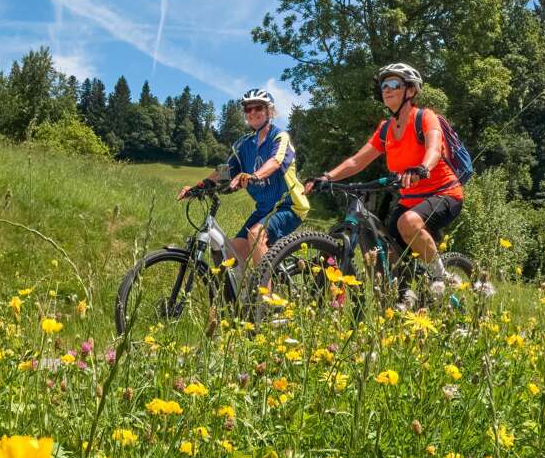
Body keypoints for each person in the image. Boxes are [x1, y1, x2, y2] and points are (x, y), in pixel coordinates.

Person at [304, 62, 462, 292]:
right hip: (410, 200)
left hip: (444, 193)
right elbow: (357, 161)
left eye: (394, 84)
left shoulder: (425, 117)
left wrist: (422, 168)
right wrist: (327, 177)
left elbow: (434, 149)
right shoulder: (386, 129)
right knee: (386, 254)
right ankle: (405, 299)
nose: (386, 89)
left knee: (407, 223)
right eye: (383, 85)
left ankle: (441, 277)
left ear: (410, 90)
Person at [179, 88, 309, 266]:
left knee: (256, 235)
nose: (253, 112)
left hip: (289, 205)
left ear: (269, 111)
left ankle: (264, 293)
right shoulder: (243, 144)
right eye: (248, 109)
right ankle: (243, 290)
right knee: (231, 255)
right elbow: (224, 172)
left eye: (258, 108)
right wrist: (196, 188)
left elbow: (275, 162)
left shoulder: (279, 136)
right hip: (264, 209)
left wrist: (254, 175)